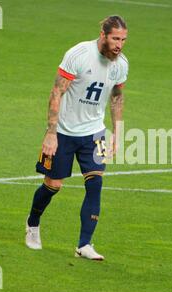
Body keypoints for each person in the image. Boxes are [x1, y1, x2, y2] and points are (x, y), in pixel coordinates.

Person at [25, 16, 128, 261]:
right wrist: (51, 133)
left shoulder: (121, 64)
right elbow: (56, 91)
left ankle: (84, 245)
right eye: (115, 38)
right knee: (53, 185)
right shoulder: (79, 54)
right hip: (63, 132)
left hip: (94, 132)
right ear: (103, 34)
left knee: (95, 184)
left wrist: (118, 133)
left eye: (123, 40)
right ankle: (33, 223)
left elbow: (116, 98)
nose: (119, 45)